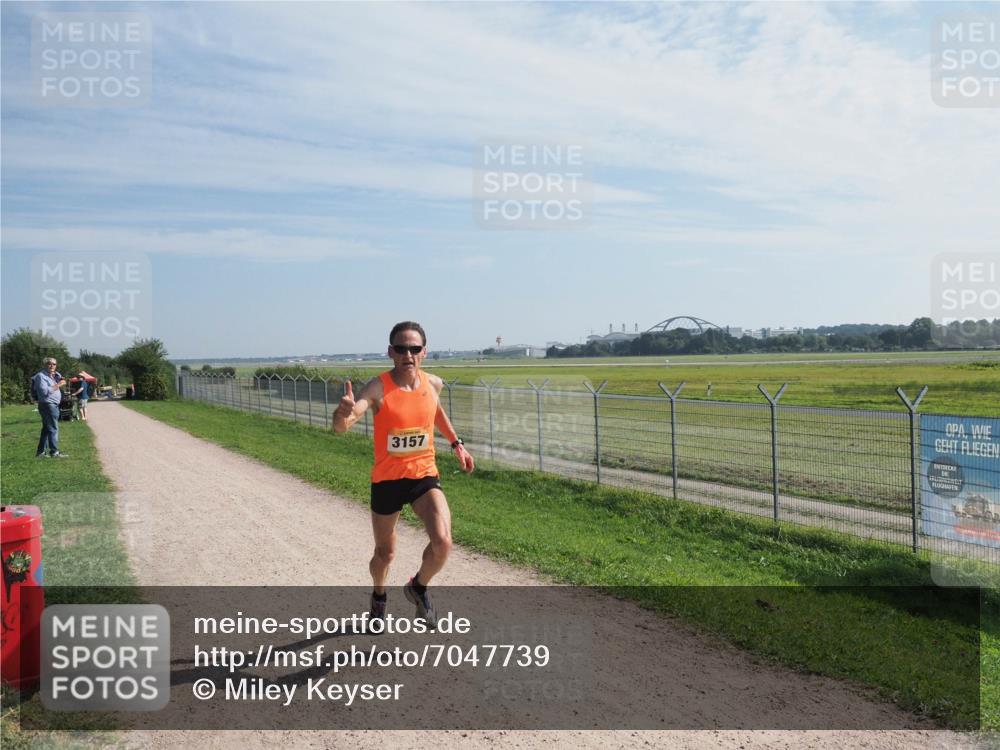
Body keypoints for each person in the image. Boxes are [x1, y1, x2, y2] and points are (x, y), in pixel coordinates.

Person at [333, 321, 474, 628]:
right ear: (390, 352)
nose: (407, 354)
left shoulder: (433, 384)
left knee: (443, 542)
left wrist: (457, 444)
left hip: (423, 475)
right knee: (385, 554)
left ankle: (417, 587)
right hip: (387, 481)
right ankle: (379, 597)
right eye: (401, 348)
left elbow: (436, 412)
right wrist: (341, 415)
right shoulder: (378, 387)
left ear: (424, 352)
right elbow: (346, 423)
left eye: (414, 348)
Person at [30, 357, 68, 458]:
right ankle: (54, 452)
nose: (52, 366)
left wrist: (59, 379)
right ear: (44, 365)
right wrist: (59, 384)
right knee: (53, 428)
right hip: (48, 404)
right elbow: (44, 392)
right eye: (49, 363)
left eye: (54, 364)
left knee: (47, 429)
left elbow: (60, 378)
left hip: (52, 404)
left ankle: (40, 452)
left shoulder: (53, 376)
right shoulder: (40, 376)